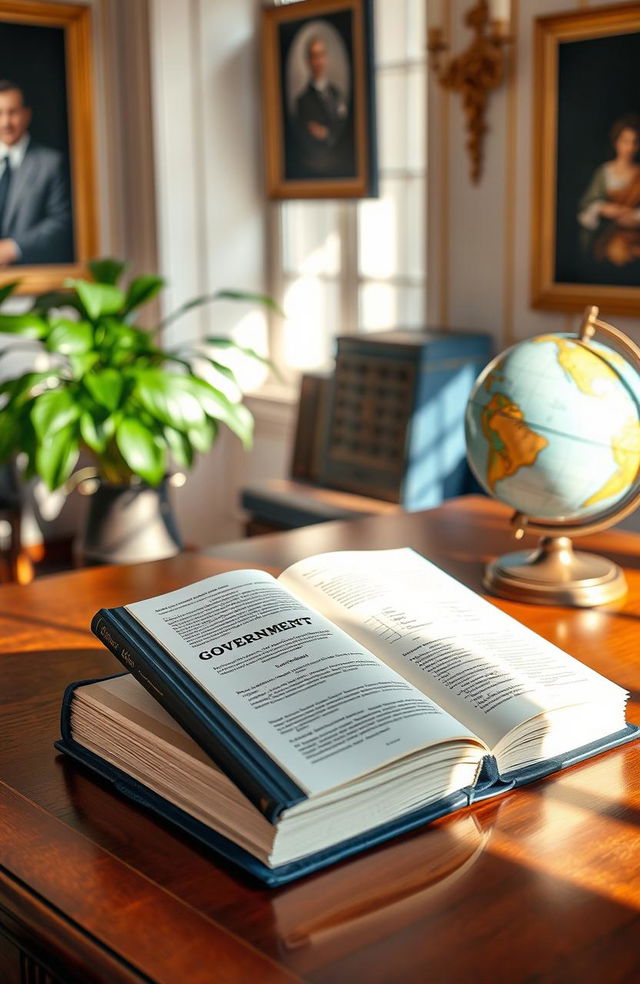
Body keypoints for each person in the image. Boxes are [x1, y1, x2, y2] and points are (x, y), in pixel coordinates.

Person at [0, 79, 72, 267]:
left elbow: (61, 222)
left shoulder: (51, 163)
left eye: (12, 112)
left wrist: (14, 247)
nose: (6, 122)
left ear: (26, 115)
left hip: (33, 275)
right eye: (0, 113)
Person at [577, 115, 640, 267]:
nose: (630, 147)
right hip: (607, 236)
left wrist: (634, 217)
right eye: (625, 141)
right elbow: (587, 206)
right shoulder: (604, 172)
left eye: (635, 142)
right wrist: (604, 209)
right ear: (616, 142)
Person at [293, 34, 350, 176]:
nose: (318, 61)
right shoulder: (303, 100)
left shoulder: (336, 93)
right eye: (314, 56)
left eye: (321, 55)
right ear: (308, 61)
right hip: (319, 161)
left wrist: (327, 134)